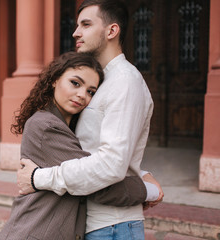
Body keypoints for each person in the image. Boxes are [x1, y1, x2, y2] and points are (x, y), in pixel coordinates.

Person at [17, 0, 164, 239]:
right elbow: (96, 148)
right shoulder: (100, 82)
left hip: (113, 225)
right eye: (77, 25)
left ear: (111, 31)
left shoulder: (124, 81)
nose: (76, 32)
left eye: (85, 24)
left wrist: (38, 177)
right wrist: (141, 175)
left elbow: (111, 164)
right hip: (94, 221)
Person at [0, 52, 150, 240]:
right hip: (34, 232)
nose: (82, 95)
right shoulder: (46, 126)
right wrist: (147, 190)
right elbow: (96, 185)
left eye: (91, 91)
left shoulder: (69, 127)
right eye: (75, 83)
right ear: (54, 80)